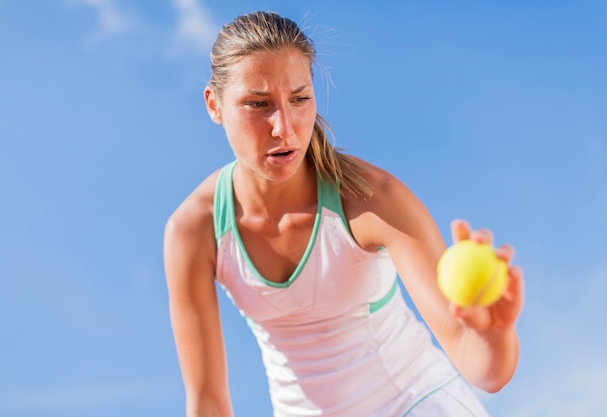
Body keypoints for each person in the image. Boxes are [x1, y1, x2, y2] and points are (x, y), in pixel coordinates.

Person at [164, 11, 523, 417]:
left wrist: (493, 333)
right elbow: (208, 402)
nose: (283, 126)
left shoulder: (372, 200)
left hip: (418, 404)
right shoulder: (193, 229)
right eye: (257, 104)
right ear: (214, 105)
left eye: (299, 99)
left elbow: (483, 369)